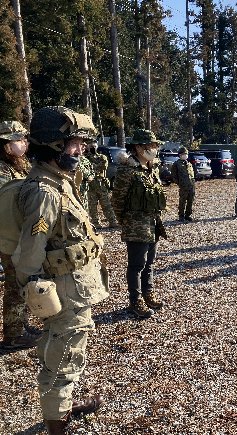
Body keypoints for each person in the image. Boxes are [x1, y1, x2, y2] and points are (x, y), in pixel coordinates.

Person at [12, 106, 108, 433]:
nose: (81, 150)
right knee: (63, 357)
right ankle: (57, 423)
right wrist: (35, 292)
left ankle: (62, 407)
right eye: (75, 143)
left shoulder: (60, 182)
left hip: (74, 286)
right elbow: (29, 253)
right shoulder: (44, 192)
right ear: (54, 145)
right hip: (63, 291)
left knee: (68, 350)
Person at [111, 129, 166, 319]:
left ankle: (148, 293)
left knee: (149, 263)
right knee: (137, 265)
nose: (154, 149)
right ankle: (135, 301)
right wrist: (125, 222)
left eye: (155, 146)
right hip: (136, 225)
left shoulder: (152, 168)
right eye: (151, 146)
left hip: (153, 224)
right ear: (138, 148)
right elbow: (117, 200)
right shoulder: (127, 170)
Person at [0, 120, 38, 349]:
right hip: (9, 235)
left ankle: (21, 324)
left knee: (23, 281)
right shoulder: (2, 170)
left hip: (21, 232)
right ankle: (13, 335)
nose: (24, 143)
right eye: (19, 139)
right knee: (14, 284)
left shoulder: (20, 165)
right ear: (6, 144)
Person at [85, 140, 118, 228]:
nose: (93, 148)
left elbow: (102, 167)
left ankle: (112, 221)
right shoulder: (85, 158)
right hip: (91, 186)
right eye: (91, 147)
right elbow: (85, 170)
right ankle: (95, 222)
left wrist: (91, 167)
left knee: (106, 204)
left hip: (101, 185)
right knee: (92, 206)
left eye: (94, 147)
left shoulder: (102, 157)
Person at [171, 146, 196, 221]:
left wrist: (193, 183)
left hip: (191, 185)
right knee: (182, 201)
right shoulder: (176, 164)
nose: (186, 155)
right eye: (184, 154)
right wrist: (179, 183)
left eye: (186, 154)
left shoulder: (189, 164)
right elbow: (174, 176)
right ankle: (181, 216)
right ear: (180, 155)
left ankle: (188, 215)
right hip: (183, 186)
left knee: (190, 201)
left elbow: (192, 174)